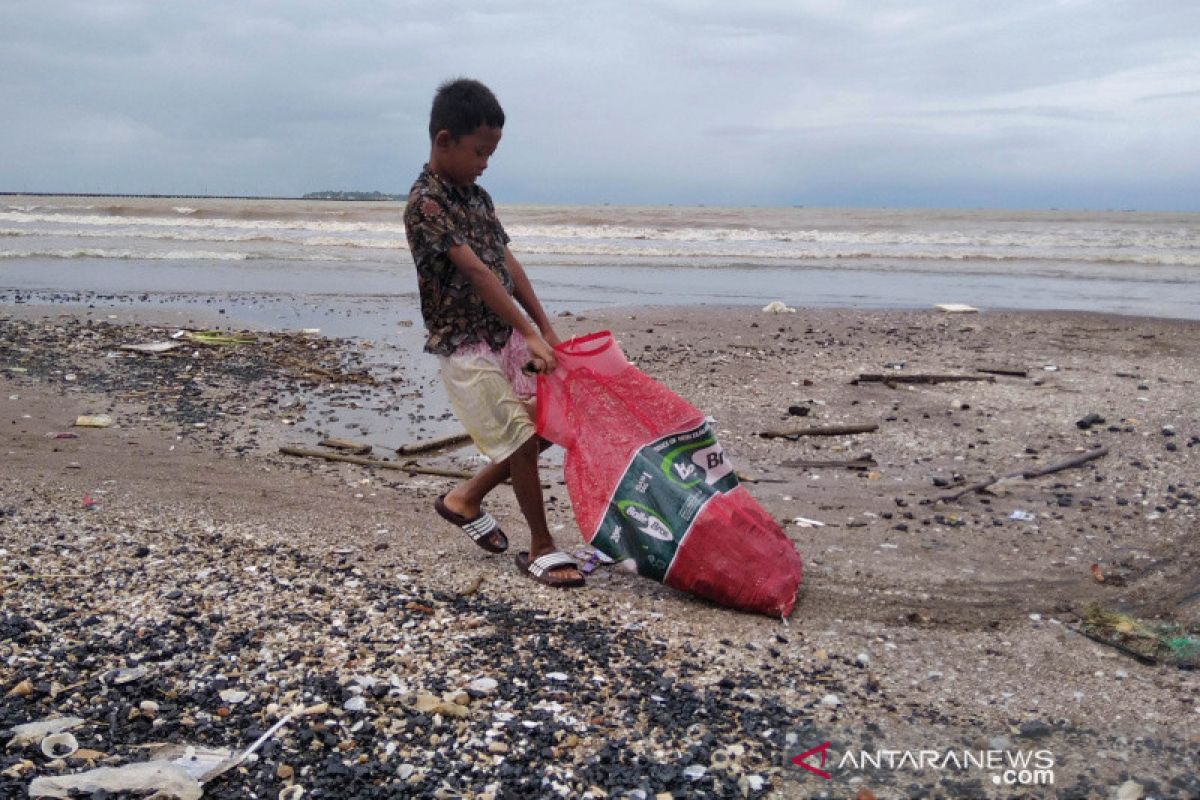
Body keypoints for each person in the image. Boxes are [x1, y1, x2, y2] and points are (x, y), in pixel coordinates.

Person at [403, 78, 584, 588]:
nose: (486, 162)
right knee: (521, 439)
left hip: (503, 335)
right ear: (444, 141)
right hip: (464, 344)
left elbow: (506, 264)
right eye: (480, 151)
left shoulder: (477, 197)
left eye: (492, 153)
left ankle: (464, 499)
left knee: (545, 422)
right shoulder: (426, 205)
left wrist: (545, 331)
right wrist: (526, 332)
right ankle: (542, 545)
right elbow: (479, 275)